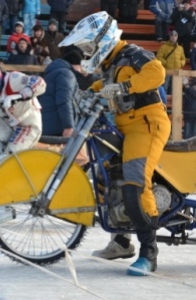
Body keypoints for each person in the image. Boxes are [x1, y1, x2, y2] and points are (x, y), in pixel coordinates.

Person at [60, 11, 171, 275]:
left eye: (89, 46)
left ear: (103, 40)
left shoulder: (133, 53)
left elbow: (157, 73)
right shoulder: (111, 64)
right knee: (107, 179)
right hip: (124, 126)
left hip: (146, 124)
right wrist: (87, 93)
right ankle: (121, 241)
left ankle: (149, 253)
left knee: (134, 182)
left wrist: (124, 87)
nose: (87, 52)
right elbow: (104, 84)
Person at [0, 58, 46, 155]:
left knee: (6, 158)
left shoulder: (13, 79)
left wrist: (20, 95)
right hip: (9, 128)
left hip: (27, 126)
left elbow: (40, 82)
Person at [38, 49, 85, 137]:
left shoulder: (53, 72)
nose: (81, 70)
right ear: (76, 64)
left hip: (46, 125)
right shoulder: (66, 74)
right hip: (57, 127)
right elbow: (64, 101)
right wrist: (68, 126)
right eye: (80, 66)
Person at [156, 30, 186, 94]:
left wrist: (181, 64)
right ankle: (164, 102)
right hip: (167, 70)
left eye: (175, 36)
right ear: (169, 37)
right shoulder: (163, 47)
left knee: (175, 88)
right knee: (165, 87)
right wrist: (166, 63)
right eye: (172, 35)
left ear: (177, 37)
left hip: (176, 70)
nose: (173, 37)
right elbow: (158, 57)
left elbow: (183, 59)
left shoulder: (180, 48)